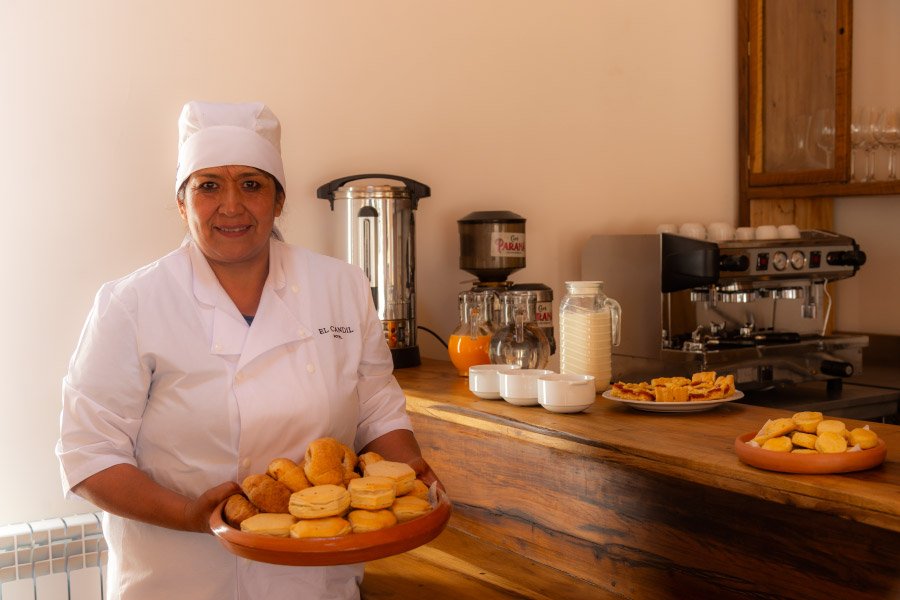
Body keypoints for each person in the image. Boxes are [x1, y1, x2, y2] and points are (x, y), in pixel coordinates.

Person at [56, 101, 439, 600]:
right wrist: (191, 516)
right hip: (180, 580)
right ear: (181, 202)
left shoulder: (340, 286)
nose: (231, 205)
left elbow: (378, 409)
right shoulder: (130, 304)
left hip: (314, 578)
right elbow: (89, 456)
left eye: (252, 185)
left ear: (279, 201)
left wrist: (409, 475)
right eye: (208, 185)